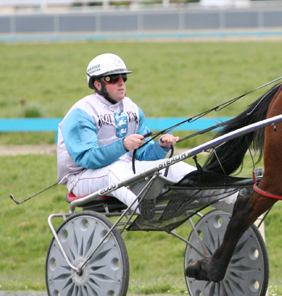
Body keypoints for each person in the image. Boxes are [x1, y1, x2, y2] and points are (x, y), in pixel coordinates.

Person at [56, 53, 196, 209]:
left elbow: (144, 155)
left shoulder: (133, 109)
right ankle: (141, 207)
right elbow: (87, 159)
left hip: (126, 170)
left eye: (124, 77)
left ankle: (222, 195)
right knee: (115, 170)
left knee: (168, 165)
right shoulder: (82, 113)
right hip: (82, 177)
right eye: (114, 78)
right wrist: (123, 145)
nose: (121, 83)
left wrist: (161, 146)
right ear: (97, 84)